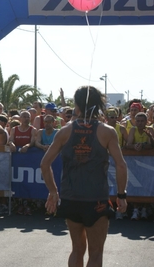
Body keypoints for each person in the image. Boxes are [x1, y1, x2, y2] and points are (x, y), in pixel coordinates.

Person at [41, 85, 128, 267]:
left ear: (77, 105)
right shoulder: (107, 131)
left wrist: (53, 191)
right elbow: (121, 164)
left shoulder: (64, 131)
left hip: (70, 198)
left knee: (77, 249)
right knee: (95, 253)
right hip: (96, 199)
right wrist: (121, 195)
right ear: (99, 105)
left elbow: (44, 163)